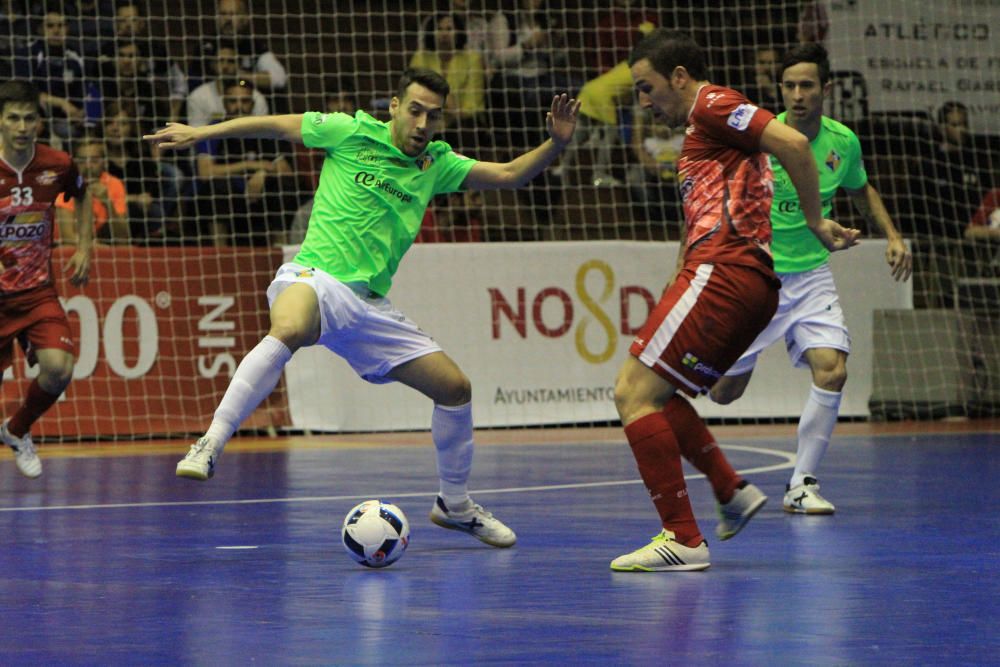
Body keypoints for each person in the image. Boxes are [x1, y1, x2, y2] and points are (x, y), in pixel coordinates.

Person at [144, 68, 580, 548]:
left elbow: (509, 174)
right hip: (315, 278)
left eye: (433, 116)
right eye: (414, 110)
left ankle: (454, 505)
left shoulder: (437, 163)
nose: (422, 123)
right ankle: (212, 441)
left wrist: (556, 143)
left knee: (455, 389)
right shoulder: (349, 131)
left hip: (368, 306)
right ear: (393, 106)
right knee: (287, 327)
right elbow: (275, 126)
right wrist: (200, 132)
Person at [610, 29, 859, 572]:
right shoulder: (703, 126)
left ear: (679, 77)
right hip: (733, 274)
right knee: (659, 391)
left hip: (726, 268)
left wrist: (815, 221)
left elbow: (792, 143)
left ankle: (681, 536)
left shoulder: (713, 103)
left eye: (648, 88)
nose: (645, 102)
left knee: (631, 392)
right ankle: (730, 490)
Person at [708, 42, 912, 515]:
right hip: (757, 275)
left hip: (812, 274)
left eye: (807, 85)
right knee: (723, 393)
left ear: (826, 89)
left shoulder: (843, 142)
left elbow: (862, 190)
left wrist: (893, 235)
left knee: (833, 369)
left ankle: (801, 483)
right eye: (789, 86)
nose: (798, 94)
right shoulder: (761, 136)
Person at [0, 79, 93, 478]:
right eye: (13, 119)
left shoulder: (57, 164)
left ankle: (17, 430)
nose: (22, 127)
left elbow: (83, 194)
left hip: (38, 292)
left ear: (38, 122)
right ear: (1, 122)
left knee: (59, 368)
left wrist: (85, 247)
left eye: (29, 119)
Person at [194, 79, 298, 246]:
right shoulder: (212, 130)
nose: (239, 106)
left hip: (260, 196)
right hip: (231, 196)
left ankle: (281, 249)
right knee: (217, 187)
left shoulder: (265, 130)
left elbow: (285, 169)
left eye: (244, 101)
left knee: (284, 185)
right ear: (224, 103)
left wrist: (263, 173)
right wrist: (251, 166)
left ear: (252, 103)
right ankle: (220, 252)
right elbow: (205, 172)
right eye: (233, 101)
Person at [55, 138, 130, 244]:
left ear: (104, 162)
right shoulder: (65, 185)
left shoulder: (114, 184)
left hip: (101, 245)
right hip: (66, 248)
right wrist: (99, 249)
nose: (88, 166)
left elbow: (123, 236)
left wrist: (107, 202)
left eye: (94, 160)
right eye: (82, 161)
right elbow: (68, 237)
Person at [187, 42, 269, 128]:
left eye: (231, 61)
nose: (225, 66)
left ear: (239, 64)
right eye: (221, 60)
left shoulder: (256, 97)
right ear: (212, 64)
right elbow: (196, 134)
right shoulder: (198, 96)